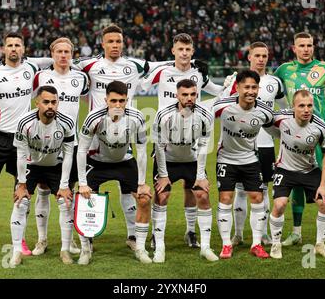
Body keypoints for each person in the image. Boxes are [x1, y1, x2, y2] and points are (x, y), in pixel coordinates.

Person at [72, 24, 169, 250]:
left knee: (130, 189)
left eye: (118, 41)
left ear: (123, 43)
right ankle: (88, 236)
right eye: (111, 41)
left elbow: (164, 65)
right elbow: (62, 62)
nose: (115, 45)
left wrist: (191, 64)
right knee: (89, 192)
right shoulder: (89, 64)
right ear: (103, 43)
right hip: (96, 133)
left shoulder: (133, 65)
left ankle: (133, 236)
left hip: (125, 131)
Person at [142, 32, 223, 249]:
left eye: (188, 50)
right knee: (162, 193)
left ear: (193, 51)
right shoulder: (163, 70)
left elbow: (219, 92)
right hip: (165, 141)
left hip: (191, 142)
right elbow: (140, 83)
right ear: (173, 51)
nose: (184, 53)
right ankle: (155, 234)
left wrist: (231, 81)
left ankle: (190, 232)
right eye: (180, 49)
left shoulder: (198, 74)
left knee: (193, 190)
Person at [274, 32, 325, 249]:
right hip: (293, 134)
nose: (306, 49)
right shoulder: (283, 70)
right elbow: (267, 88)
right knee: (295, 180)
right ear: (293, 48)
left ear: (314, 47)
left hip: (319, 135)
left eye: (309, 45)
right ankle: (296, 232)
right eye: (302, 45)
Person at [0, 32, 42, 258]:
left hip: (24, 140)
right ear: (3, 49)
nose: (13, 49)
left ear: (23, 49)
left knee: (22, 189)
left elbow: (56, 59)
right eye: (10, 45)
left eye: (17, 45)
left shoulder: (32, 68)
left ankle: (19, 239)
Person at [76, 81, 152, 264]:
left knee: (144, 198)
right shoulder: (94, 117)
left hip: (124, 162)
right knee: (83, 200)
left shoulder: (137, 117)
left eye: (122, 101)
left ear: (127, 100)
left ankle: (138, 244)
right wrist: (82, 183)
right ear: (106, 100)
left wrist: (141, 183)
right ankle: (86, 249)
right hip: (97, 162)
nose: (118, 105)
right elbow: (81, 150)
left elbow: (141, 150)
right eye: (114, 101)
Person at [221, 42, 288, 247]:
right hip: (238, 144)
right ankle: (239, 234)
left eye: (264, 55)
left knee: (263, 190)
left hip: (266, 144)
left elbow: (284, 112)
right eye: (257, 55)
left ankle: (263, 234)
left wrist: (282, 143)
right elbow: (224, 111)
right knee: (240, 190)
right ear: (249, 56)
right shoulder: (238, 80)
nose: (261, 59)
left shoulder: (274, 82)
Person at [29, 37, 89, 256]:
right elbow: (30, 103)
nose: (63, 55)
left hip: (70, 142)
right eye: (59, 51)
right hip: (44, 143)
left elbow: (91, 100)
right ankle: (41, 240)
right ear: (52, 54)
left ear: (72, 54)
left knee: (68, 192)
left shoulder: (81, 78)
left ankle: (69, 239)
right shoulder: (41, 76)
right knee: (43, 191)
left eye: (67, 52)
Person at [152, 79, 219, 263]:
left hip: (191, 160)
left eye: (192, 94)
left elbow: (204, 147)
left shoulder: (205, 115)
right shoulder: (163, 115)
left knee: (203, 195)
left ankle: (204, 246)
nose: (189, 98)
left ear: (197, 94)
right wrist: (163, 175)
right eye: (185, 94)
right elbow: (158, 146)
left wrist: (200, 176)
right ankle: (159, 246)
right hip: (168, 160)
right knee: (162, 196)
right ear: (177, 95)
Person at [9, 85, 75, 267]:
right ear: (37, 102)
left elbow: (69, 154)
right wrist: (21, 184)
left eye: (54, 102)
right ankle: (16, 251)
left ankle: (65, 249)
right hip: (32, 165)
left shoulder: (67, 123)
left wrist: (64, 185)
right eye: (46, 102)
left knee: (66, 202)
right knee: (20, 202)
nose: (50, 106)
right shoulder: (25, 122)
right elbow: (21, 154)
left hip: (55, 165)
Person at [213, 70, 274, 259]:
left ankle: (256, 244)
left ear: (258, 88)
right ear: (237, 88)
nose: (250, 91)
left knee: (257, 198)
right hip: (226, 159)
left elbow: (278, 128)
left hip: (250, 159)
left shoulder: (264, 111)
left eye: (254, 87)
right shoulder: (223, 106)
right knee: (225, 199)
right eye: (246, 87)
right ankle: (226, 245)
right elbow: (203, 117)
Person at [268, 89, 325, 259]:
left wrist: (323, 184)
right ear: (293, 107)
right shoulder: (281, 117)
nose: (306, 110)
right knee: (280, 205)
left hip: (309, 170)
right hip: (284, 169)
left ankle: (320, 244)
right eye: (302, 106)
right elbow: (264, 120)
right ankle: (275, 244)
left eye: (310, 106)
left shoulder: (320, 126)